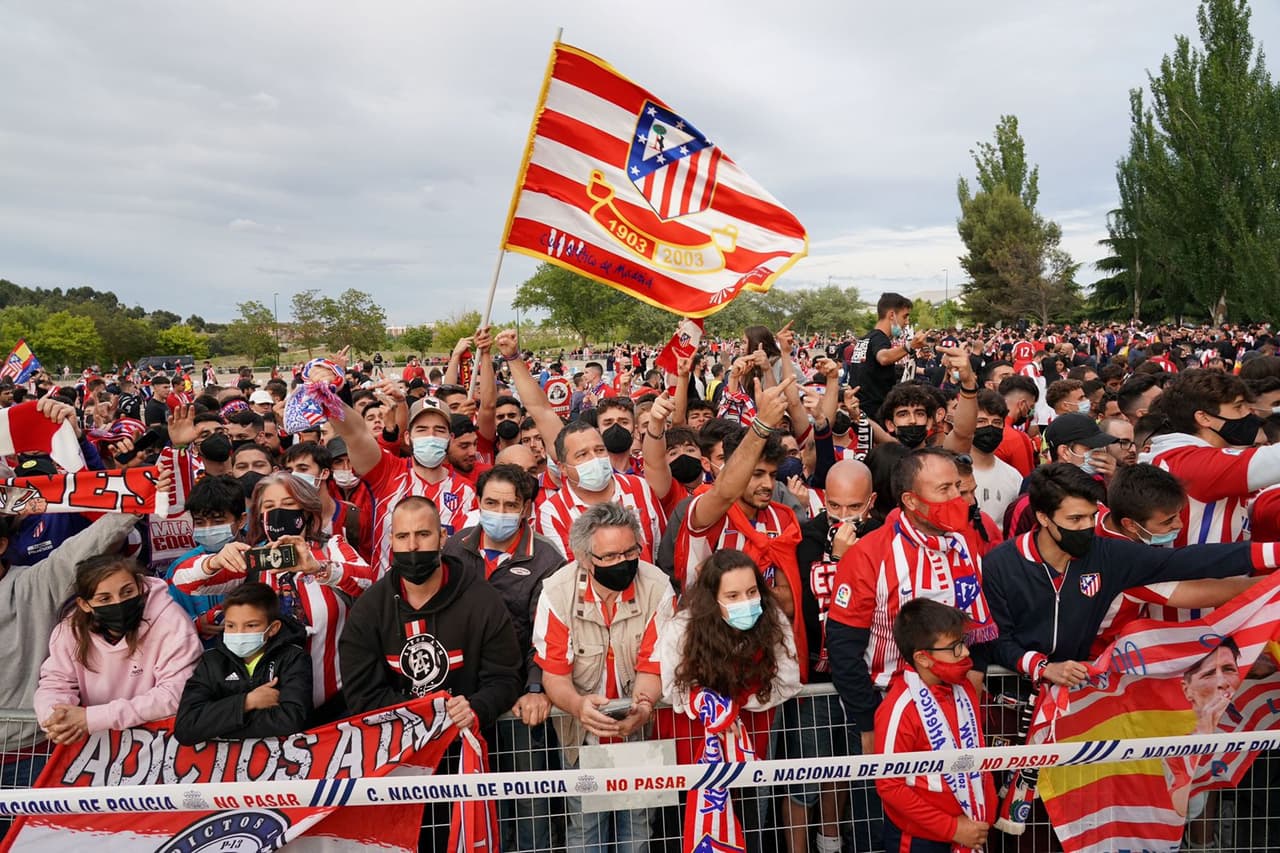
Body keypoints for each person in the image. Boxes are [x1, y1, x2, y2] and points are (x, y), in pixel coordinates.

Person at [981, 464, 1279, 689]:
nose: (1087, 527)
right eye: (1074, 519)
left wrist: (1275, 554)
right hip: (1016, 689)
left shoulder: (1110, 554)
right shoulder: (1001, 563)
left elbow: (1190, 562)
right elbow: (998, 638)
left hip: (1081, 686)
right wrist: (1043, 667)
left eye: (1090, 517)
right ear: (1044, 518)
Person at [339, 495, 523, 847]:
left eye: (423, 535)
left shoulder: (481, 600)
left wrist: (475, 708)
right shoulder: (370, 610)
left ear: (441, 537)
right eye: (403, 536)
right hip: (400, 765)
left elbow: (504, 676)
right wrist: (425, 717)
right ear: (390, 541)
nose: (413, 546)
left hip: (467, 762)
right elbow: (362, 693)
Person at [827, 448, 996, 753]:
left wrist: (975, 672)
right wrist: (868, 722)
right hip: (887, 705)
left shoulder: (964, 542)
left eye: (957, 487)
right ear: (911, 500)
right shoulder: (870, 555)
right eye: (944, 489)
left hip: (955, 701)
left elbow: (976, 619)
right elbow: (842, 648)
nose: (957, 498)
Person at [533, 503, 675, 853]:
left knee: (639, 830)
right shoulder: (556, 592)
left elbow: (653, 665)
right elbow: (554, 675)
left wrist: (642, 708)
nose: (623, 562)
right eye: (610, 556)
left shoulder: (658, 587)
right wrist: (579, 707)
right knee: (584, 830)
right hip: (581, 735)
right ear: (584, 558)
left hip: (640, 734)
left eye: (631, 551)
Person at [172, 472, 372, 718]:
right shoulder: (252, 560)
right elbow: (184, 581)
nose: (279, 513)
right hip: (271, 709)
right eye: (269, 506)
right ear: (259, 516)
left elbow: (368, 582)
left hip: (336, 703)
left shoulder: (331, 548)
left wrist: (318, 567)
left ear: (306, 510)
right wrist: (214, 561)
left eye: (289, 504)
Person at [636, 549, 799, 849]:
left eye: (752, 592)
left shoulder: (772, 620)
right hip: (689, 758)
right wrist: (713, 708)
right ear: (712, 598)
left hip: (746, 754)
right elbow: (673, 686)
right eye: (733, 595)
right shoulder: (682, 627)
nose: (746, 602)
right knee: (680, 834)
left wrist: (737, 705)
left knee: (746, 830)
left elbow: (788, 679)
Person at [441, 464, 565, 852]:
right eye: (490, 502)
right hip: (463, 698)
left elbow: (545, 634)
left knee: (528, 801)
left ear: (527, 507)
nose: (499, 512)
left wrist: (533, 687)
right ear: (477, 502)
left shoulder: (547, 560)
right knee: (470, 798)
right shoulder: (455, 548)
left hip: (517, 701)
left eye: (509, 505)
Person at [779, 458, 881, 853]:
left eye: (853, 508)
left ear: (870, 502)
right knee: (805, 772)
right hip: (814, 682)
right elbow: (814, 605)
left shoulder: (883, 537)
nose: (842, 516)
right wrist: (836, 561)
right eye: (834, 506)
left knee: (849, 768)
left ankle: (832, 841)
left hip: (864, 677)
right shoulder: (805, 538)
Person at [35, 554, 202, 743]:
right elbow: (55, 682)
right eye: (105, 599)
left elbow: (175, 693)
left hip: (164, 742)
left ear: (140, 587)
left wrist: (91, 718)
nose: (118, 603)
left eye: (127, 592)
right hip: (99, 747)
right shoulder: (69, 631)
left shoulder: (171, 621)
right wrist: (56, 717)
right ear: (85, 604)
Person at [875, 598, 994, 853]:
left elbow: (979, 754)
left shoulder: (963, 689)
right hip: (921, 840)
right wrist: (952, 828)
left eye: (963, 643)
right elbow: (889, 786)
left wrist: (985, 816)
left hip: (972, 830)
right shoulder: (899, 708)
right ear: (923, 658)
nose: (966, 653)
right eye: (955, 647)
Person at [328, 393, 479, 575]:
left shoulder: (467, 491)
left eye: (439, 430)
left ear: (450, 438)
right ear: (407, 437)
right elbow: (354, 434)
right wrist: (327, 396)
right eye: (422, 430)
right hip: (389, 596)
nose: (431, 437)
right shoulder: (387, 471)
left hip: (445, 596)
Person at [1144, 368, 1280, 545]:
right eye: (1238, 407)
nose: (1248, 413)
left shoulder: (1182, 454)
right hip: (1196, 570)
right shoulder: (1188, 461)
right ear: (1204, 418)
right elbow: (1273, 460)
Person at [174, 582, 313, 744]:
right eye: (231, 625)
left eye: (251, 625)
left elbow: (293, 720)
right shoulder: (211, 661)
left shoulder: (293, 658)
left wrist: (217, 726)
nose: (239, 633)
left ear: (273, 628)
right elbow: (186, 726)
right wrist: (247, 702)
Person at [851, 293, 927, 425]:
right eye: (905, 316)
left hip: (860, 412)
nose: (907, 322)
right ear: (892, 315)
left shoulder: (865, 339)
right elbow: (884, 357)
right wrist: (910, 346)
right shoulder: (880, 339)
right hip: (874, 415)